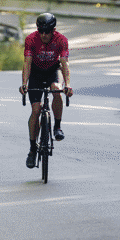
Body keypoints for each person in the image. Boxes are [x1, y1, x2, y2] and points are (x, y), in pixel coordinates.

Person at [20, 12, 73, 168]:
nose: (44, 35)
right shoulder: (31, 39)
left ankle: (57, 126)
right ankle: (32, 149)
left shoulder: (61, 40)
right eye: (41, 31)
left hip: (52, 71)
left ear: (53, 30)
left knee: (57, 89)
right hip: (36, 73)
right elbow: (27, 63)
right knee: (36, 110)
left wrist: (67, 84)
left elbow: (64, 63)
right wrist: (24, 83)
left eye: (47, 32)